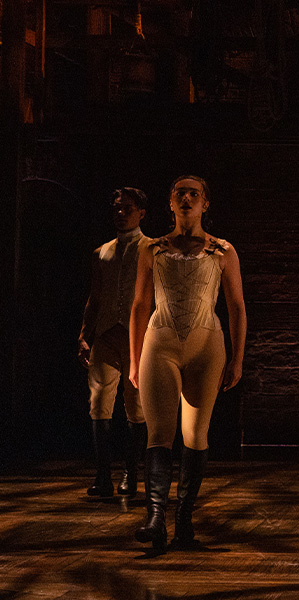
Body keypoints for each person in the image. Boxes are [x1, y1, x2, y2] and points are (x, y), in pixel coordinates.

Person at [129, 175, 246, 551]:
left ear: (205, 204)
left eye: (194, 193)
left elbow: (237, 308)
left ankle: (184, 519)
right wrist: (134, 360)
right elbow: (138, 306)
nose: (187, 198)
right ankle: (155, 516)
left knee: (196, 434)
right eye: (180, 192)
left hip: (206, 347)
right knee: (159, 433)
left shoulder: (222, 251)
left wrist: (238, 358)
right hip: (160, 343)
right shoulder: (153, 250)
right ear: (170, 202)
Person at [78, 188, 151, 498]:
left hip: (139, 338)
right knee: (99, 405)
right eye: (117, 208)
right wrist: (84, 333)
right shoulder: (101, 252)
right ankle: (102, 475)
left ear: (141, 213)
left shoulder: (153, 249)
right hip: (106, 335)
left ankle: (131, 474)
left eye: (128, 208)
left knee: (136, 407)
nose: (121, 213)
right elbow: (95, 297)